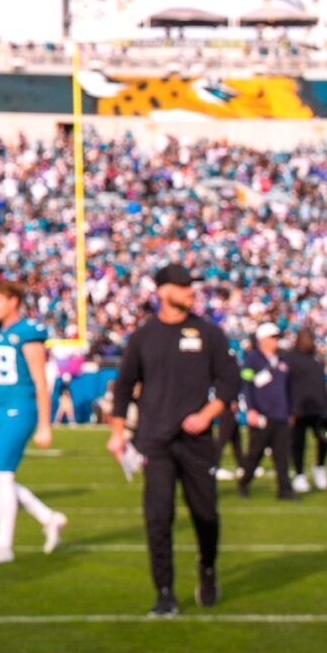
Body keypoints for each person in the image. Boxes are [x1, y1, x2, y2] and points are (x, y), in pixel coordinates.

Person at [106, 264, 241, 617]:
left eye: (190, 286)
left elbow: (229, 382)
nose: (189, 292)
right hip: (155, 441)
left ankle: (207, 567)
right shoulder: (143, 337)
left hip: (196, 443)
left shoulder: (208, 333)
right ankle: (164, 591)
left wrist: (207, 414)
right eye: (182, 286)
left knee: (206, 515)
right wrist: (118, 431)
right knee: (158, 516)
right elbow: (123, 386)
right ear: (162, 291)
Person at [0, 281, 67, 564]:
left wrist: (45, 423)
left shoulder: (27, 334)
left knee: (2, 477)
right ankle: (49, 517)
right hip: (1, 409)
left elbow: (41, 381)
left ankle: (4, 547)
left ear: (13, 302)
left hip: (22, 409)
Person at [237, 323, 299, 500]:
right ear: (262, 340)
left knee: (282, 456)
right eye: (272, 337)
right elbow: (246, 386)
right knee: (255, 454)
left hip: (281, 414)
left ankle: (285, 490)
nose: (275, 341)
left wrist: (291, 411)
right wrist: (250, 410)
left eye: (276, 337)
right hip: (262, 415)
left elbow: (289, 388)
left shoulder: (283, 359)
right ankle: (244, 482)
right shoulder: (252, 360)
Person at [288, 328, 327, 493]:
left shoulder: (317, 357)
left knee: (326, 438)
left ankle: (320, 467)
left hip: (319, 408)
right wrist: (290, 408)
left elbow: (323, 382)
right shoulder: (290, 358)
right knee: (298, 443)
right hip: (299, 409)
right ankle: (300, 474)